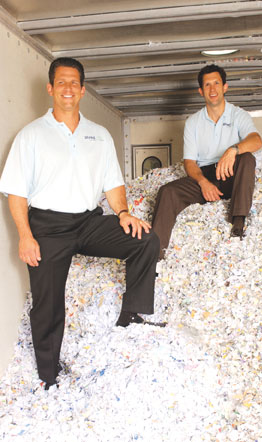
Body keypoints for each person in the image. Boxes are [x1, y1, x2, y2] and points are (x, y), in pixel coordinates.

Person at [0, 57, 163, 390]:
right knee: (47, 302)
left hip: (89, 221)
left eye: (74, 82)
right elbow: (15, 192)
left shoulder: (99, 135)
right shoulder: (30, 135)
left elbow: (113, 184)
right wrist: (25, 237)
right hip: (47, 227)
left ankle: (131, 315)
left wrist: (123, 213)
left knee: (146, 240)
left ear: (83, 90)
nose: (68, 88)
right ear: (50, 88)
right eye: (61, 82)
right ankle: (49, 375)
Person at [152, 64, 262, 260]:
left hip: (231, 175)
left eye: (216, 83)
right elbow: (190, 163)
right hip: (203, 177)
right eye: (207, 85)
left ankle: (238, 223)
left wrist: (233, 150)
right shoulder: (193, 122)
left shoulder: (239, 115)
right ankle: (155, 255)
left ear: (225, 87)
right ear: (201, 91)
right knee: (167, 192)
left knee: (247, 158)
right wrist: (203, 183)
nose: (212, 89)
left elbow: (256, 140)